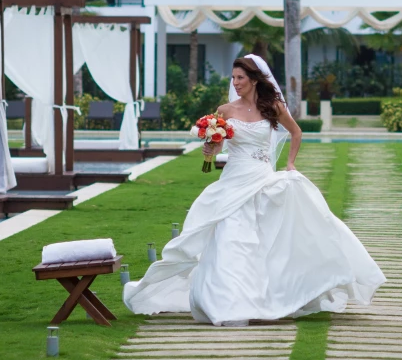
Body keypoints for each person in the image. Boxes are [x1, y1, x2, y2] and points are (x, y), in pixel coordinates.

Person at [123, 54, 385, 326]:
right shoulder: (224, 111)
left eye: (241, 78)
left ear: (255, 80)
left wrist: (291, 164)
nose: (236, 83)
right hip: (233, 180)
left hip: (261, 177)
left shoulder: (272, 106)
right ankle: (227, 301)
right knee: (231, 239)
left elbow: (296, 133)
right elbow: (217, 148)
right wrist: (209, 149)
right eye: (233, 78)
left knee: (265, 239)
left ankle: (268, 295)